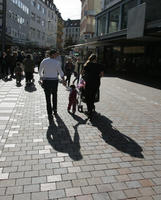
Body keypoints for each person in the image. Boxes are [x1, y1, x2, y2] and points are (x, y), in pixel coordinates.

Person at [39, 49, 66, 123]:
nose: (57, 55)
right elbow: (61, 72)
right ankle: (55, 109)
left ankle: (49, 113)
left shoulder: (44, 61)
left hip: (46, 81)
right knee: (54, 95)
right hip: (54, 81)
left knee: (47, 97)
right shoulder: (57, 62)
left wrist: (41, 77)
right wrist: (63, 80)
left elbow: (40, 71)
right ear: (53, 54)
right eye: (56, 54)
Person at [82, 54, 104, 118]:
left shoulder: (87, 64)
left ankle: (89, 110)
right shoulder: (100, 65)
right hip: (96, 83)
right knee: (93, 96)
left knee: (87, 96)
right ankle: (91, 108)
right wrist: (97, 76)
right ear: (96, 59)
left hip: (88, 82)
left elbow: (82, 72)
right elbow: (102, 75)